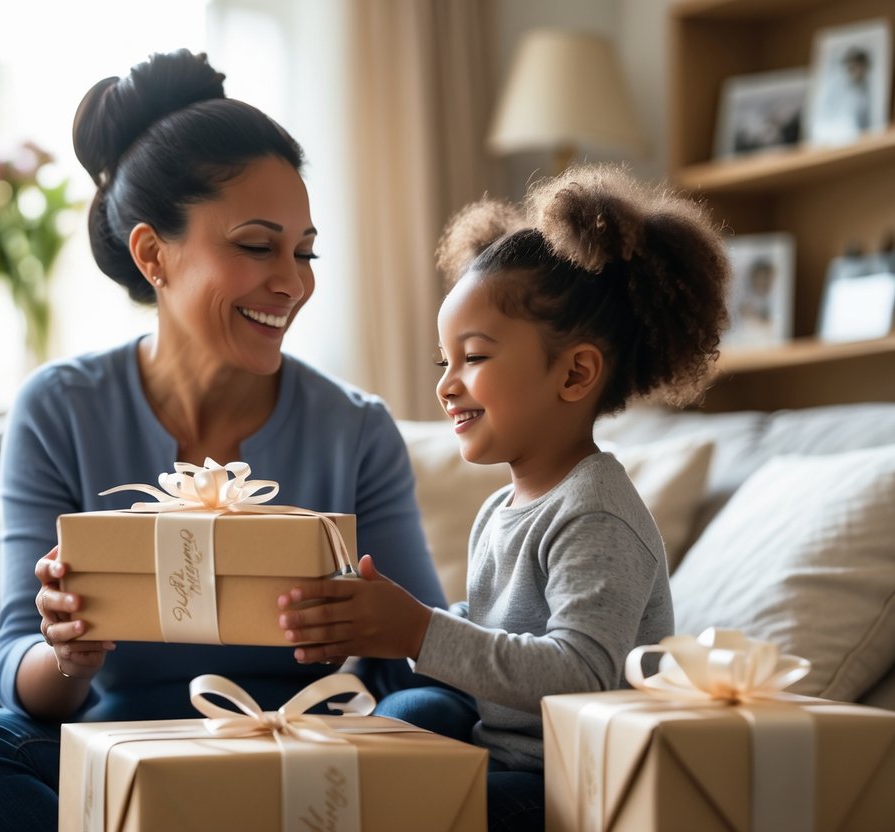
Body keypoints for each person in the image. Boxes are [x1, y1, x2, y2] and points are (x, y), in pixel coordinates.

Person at [0, 49, 446, 831]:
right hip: (119, 751)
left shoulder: (354, 427)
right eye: (258, 246)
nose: (293, 281)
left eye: (304, 250)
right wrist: (68, 653)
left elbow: (423, 659)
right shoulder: (60, 409)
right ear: (153, 254)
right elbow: (20, 667)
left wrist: (381, 621)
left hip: (304, 747)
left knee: (440, 715)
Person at [277, 165, 730, 831]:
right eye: (443, 362)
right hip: (503, 747)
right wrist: (381, 631)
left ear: (574, 373)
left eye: (474, 358)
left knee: (414, 790)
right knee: (404, 715)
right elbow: (493, 628)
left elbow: (579, 673)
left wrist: (419, 629)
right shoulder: (501, 508)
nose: (446, 385)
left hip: (568, 777)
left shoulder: (595, 513)